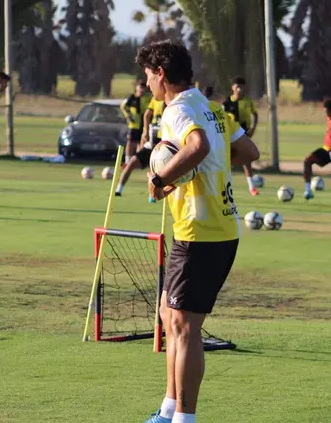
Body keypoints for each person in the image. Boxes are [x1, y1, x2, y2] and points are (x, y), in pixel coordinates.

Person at [136, 40, 259, 423]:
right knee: (170, 316)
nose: (147, 84)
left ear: (160, 74)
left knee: (185, 328)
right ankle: (169, 408)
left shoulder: (178, 110)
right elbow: (248, 151)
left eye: (147, 76)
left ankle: (183, 419)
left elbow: (198, 144)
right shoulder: (212, 108)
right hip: (219, 227)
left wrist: (160, 178)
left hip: (199, 231)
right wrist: (200, 169)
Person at [114, 96, 164, 200]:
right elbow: (146, 115)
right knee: (132, 163)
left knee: (159, 170)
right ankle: (119, 190)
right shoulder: (155, 99)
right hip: (151, 142)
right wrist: (145, 132)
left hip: (163, 144)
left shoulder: (174, 101)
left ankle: (154, 194)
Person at [223, 77, 259, 195]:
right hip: (230, 135)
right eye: (237, 86)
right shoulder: (227, 103)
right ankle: (224, 185)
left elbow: (255, 115)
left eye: (242, 87)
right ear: (233, 87)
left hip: (244, 133)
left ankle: (252, 187)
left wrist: (253, 128)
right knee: (226, 159)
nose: (239, 89)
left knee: (246, 159)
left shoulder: (248, 101)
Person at [120, 80, 152, 163]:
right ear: (137, 87)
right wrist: (128, 116)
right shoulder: (131, 97)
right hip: (134, 124)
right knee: (130, 142)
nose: (141, 89)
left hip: (144, 123)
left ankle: (137, 161)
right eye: (140, 87)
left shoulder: (149, 97)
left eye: (143, 87)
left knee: (141, 142)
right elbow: (123, 106)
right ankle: (127, 161)